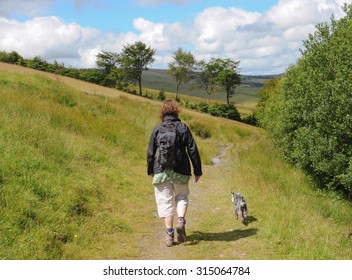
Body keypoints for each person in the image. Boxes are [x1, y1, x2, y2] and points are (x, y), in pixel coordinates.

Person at [147, 100, 202, 247]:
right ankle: (181, 219)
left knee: (165, 202)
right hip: (181, 170)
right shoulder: (183, 127)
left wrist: (150, 170)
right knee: (181, 197)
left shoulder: (158, 128)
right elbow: (193, 150)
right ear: (176, 111)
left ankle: (169, 234)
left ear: (162, 112)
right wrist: (198, 171)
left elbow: (151, 152)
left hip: (161, 170)